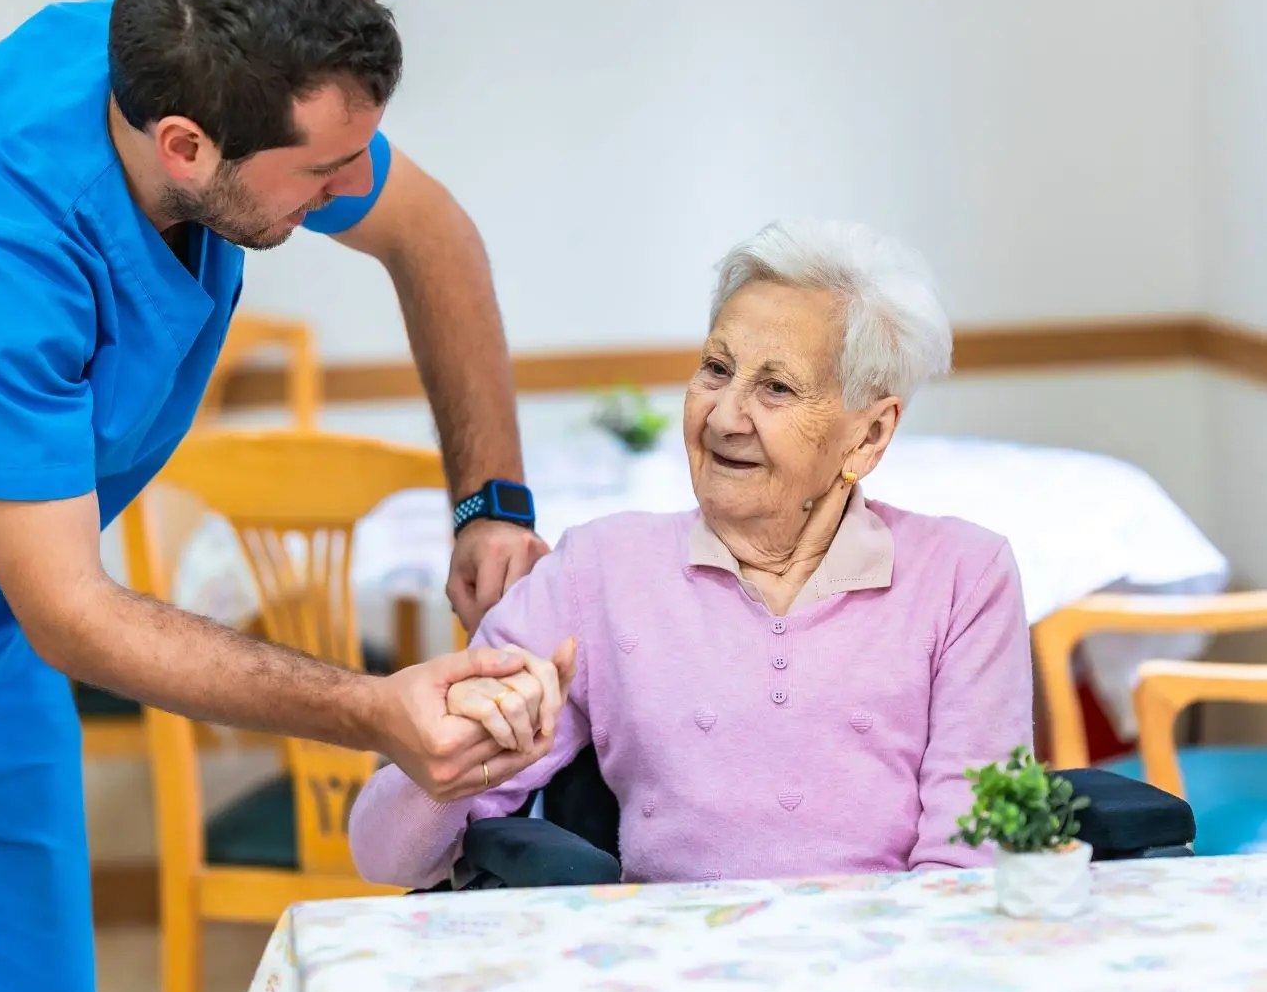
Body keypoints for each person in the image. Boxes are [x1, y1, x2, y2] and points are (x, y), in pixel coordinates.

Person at [0, 0, 570, 992]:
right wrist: (371, 712)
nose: (354, 187)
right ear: (188, 146)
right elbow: (76, 613)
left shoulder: (191, 61)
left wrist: (490, 501)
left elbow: (430, 234)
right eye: (325, 172)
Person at [350, 219, 1036, 889]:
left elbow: (969, 873)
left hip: (884, 981)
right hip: (664, 979)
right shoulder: (599, 571)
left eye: (776, 387)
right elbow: (384, 857)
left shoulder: (963, 578)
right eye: (716, 368)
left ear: (868, 436)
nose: (724, 416)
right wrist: (463, 755)